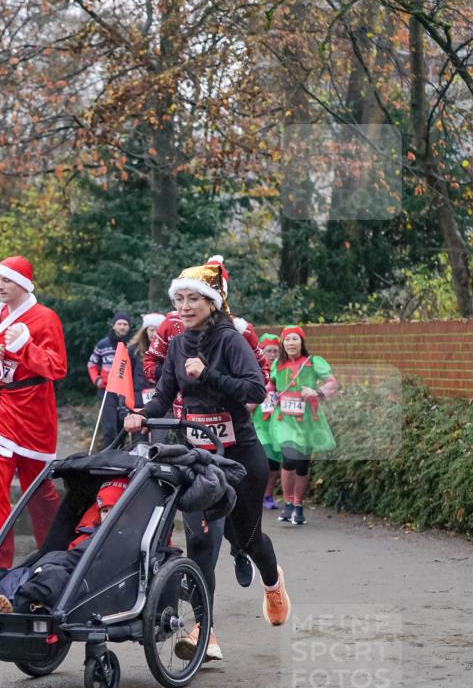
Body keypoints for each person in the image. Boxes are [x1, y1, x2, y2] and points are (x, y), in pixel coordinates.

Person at [125, 256, 291, 660]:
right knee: (200, 541)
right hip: (197, 457)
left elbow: (254, 390)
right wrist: (142, 416)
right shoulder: (178, 344)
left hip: (238, 455)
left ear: (212, 303)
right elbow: (165, 394)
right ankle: (205, 631)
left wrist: (209, 374)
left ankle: (272, 581)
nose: (183, 307)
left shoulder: (230, 340)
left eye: (192, 299)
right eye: (178, 299)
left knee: (245, 538)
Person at [0, 255, 67, 559]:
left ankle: (54, 555)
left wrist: (24, 349)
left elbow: (57, 368)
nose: (0, 286)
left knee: (39, 493)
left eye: (6, 280)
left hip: (34, 413)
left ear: (23, 284)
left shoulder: (46, 318)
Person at [0, 478, 129, 613]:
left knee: (50, 578)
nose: (108, 516)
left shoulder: (121, 537)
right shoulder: (88, 529)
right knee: (19, 574)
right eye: (104, 510)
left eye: (113, 510)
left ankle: (16, 605)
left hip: (76, 573)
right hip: (52, 563)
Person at [267, 326, 338, 526]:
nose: (290, 343)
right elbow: (271, 385)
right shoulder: (277, 365)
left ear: (301, 342)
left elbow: (332, 383)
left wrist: (316, 391)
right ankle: (288, 501)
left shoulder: (313, 362)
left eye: (295, 339)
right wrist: (271, 394)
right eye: (287, 339)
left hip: (307, 419)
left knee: (302, 463)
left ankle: (298, 505)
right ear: (282, 343)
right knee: (289, 457)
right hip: (284, 420)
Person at [87, 310, 131, 447]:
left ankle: (118, 460)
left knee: (122, 430)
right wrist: (97, 379)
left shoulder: (133, 344)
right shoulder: (103, 344)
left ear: (129, 327)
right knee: (110, 429)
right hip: (107, 391)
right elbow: (92, 364)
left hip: (125, 392)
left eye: (125, 324)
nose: (122, 327)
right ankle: (105, 460)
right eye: (119, 324)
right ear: (113, 326)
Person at [251, 333, 282, 509]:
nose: (271, 355)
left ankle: (267, 495)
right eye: (268, 351)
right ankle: (255, 495)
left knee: (275, 463)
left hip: (277, 424)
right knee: (263, 459)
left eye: (275, 351)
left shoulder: (283, 372)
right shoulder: (255, 371)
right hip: (258, 424)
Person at [127, 312, 167, 444]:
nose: (153, 333)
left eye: (157, 330)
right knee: (139, 445)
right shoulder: (133, 351)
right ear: (145, 331)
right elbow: (126, 378)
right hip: (138, 404)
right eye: (151, 329)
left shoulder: (169, 350)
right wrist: (124, 404)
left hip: (161, 403)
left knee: (159, 443)